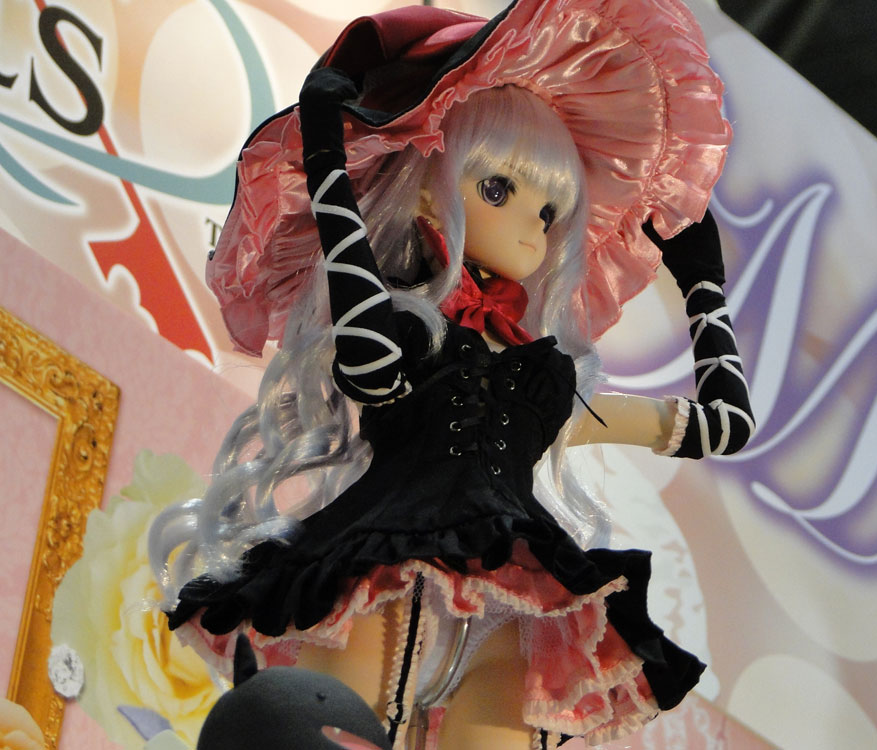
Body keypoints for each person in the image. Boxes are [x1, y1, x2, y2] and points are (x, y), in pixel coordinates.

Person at [149, 1, 754, 748]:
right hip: (382, 572)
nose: (531, 226)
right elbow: (367, 358)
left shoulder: (547, 381)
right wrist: (327, 161)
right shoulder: (405, 329)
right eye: (499, 190)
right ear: (430, 190)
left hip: (513, 611)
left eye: (550, 212)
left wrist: (703, 290)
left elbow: (724, 428)